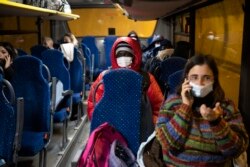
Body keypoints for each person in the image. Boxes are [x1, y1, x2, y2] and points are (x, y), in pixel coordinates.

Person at [155, 54, 249, 166]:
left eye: (206, 78)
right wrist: (185, 107)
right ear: (186, 79)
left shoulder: (225, 107)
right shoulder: (172, 103)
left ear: (214, 79)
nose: (200, 83)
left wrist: (216, 122)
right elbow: (166, 143)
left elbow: (236, 149)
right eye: (194, 77)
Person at [87, 37, 164, 124]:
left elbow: (159, 108)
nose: (123, 57)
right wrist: (105, 128)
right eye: (119, 54)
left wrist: (148, 125)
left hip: (141, 132)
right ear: (114, 56)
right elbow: (93, 107)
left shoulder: (146, 78)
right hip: (111, 132)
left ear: (134, 56)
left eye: (127, 54)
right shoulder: (104, 77)